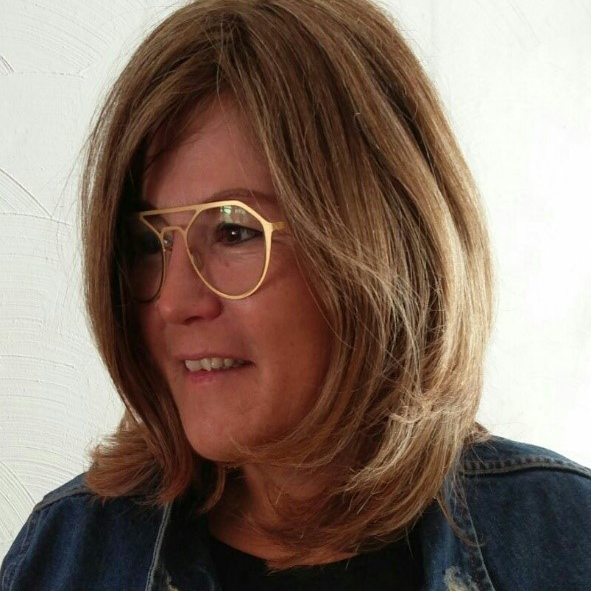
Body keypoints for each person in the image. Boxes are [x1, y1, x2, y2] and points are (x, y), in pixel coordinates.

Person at [1, 0, 590, 589]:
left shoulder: (568, 543)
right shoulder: (65, 558)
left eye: (234, 232)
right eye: (146, 244)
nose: (174, 302)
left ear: (382, 245)